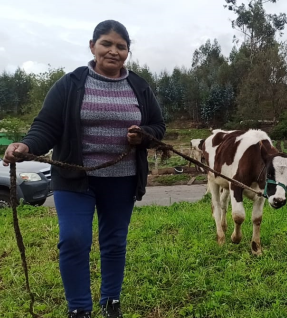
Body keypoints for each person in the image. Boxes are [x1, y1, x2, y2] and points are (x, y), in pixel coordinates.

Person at [2, 20, 165, 318]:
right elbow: (46, 126)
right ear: (92, 46)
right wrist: (27, 146)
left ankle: (111, 301)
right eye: (107, 44)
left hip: (122, 179)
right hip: (75, 179)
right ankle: (79, 309)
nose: (113, 51)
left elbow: (158, 126)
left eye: (121, 46)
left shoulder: (139, 86)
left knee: (114, 240)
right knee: (74, 239)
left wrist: (143, 134)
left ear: (128, 52)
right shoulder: (71, 84)